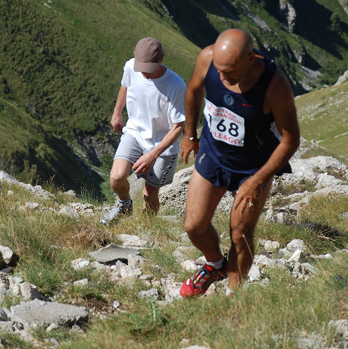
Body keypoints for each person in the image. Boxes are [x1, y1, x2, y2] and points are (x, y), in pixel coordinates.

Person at [179, 28, 300, 297]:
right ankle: (215, 266)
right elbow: (193, 92)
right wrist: (190, 135)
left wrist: (258, 181)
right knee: (193, 225)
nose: (223, 78)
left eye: (230, 72)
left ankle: (234, 298)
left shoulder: (274, 84)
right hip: (213, 153)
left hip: (253, 166)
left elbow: (290, 140)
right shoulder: (207, 58)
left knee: (240, 232)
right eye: (219, 71)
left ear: (250, 58)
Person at [100, 37, 186, 225]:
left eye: (149, 69)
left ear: (161, 59)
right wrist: (117, 114)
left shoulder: (176, 86)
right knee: (116, 178)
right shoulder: (131, 67)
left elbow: (178, 127)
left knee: (150, 193)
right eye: (141, 68)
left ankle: (146, 229)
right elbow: (125, 85)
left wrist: (152, 155)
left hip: (163, 146)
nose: (144, 74)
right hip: (135, 132)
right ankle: (124, 204)